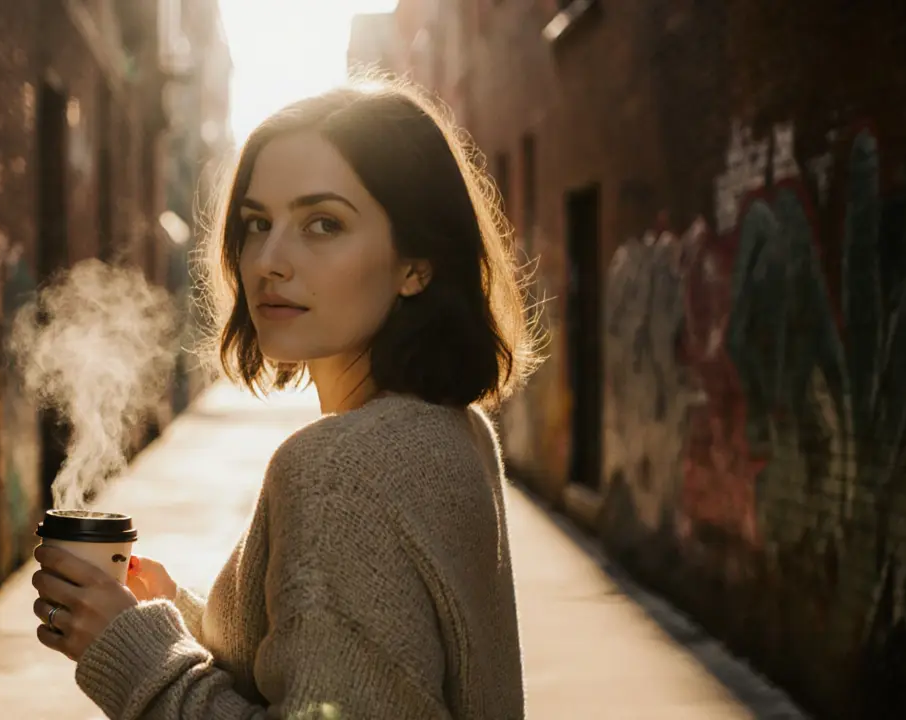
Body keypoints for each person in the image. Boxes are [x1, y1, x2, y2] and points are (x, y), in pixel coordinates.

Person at [30, 77, 538, 719]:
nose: (269, 259)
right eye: (256, 223)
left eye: (323, 223)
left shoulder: (342, 474)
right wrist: (172, 619)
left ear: (417, 263)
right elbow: (340, 663)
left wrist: (136, 657)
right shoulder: (453, 430)